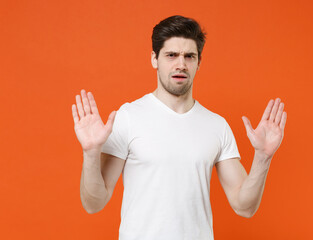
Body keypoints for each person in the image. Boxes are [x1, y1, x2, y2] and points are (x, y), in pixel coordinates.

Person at [72, 15, 287, 240]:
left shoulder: (216, 125)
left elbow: (245, 206)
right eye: (171, 55)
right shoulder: (128, 117)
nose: (181, 64)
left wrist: (263, 157)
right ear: (155, 59)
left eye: (189, 56)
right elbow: (93, 203)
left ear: (198, 62)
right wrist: (90, 153)